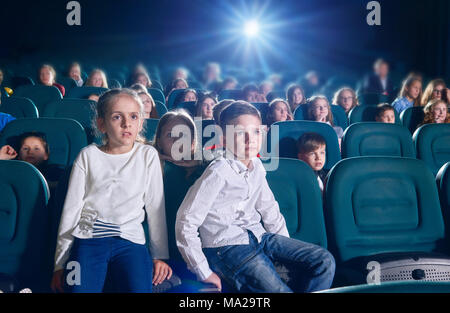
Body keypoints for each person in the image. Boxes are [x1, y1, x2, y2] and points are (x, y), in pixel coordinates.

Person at [175, 100, 335, 293]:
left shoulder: (257, 166)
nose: (251, 140)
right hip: (227, 247)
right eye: (241, 133)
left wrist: (285, 254)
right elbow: (186, 221)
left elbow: (269, 209)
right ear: (224, 139)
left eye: (256, 132)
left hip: (260, 237)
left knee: (325, 261)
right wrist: (202, 270)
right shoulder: (218, 172)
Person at [50, 88, 171, 293]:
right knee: (78, 290)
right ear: (101, 124)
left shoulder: (147, 155)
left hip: (131, 243)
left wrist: (160, 256)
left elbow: (155, 208)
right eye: (117, 117)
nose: (127, 123)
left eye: (133, 116)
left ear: (141, 122)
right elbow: (70, 213)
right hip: (88, 241)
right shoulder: (87, 156)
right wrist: (60, 264)